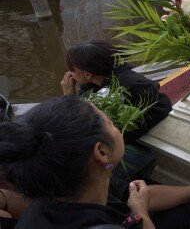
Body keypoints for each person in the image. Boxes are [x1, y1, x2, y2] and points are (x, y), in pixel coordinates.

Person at [0, 96, 190, 229]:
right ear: (101, 152)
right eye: (110, 123)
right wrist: (140, 215)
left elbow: (141, 193)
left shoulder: (67, 188)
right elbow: (140, 204)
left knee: (178, 212)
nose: (116, 128)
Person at [61, 40, 173, 179]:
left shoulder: (131, 83)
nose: (69, 74)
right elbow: (83, 119)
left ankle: (113, 185)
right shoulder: (91, 85)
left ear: (87, 73)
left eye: (72, 70)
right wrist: (70, 98)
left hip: (137, 145)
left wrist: (122, 132)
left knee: (99, 170)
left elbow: (163, 104)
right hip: (114, 143)